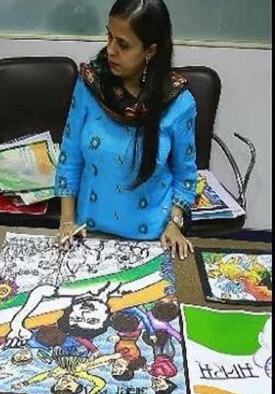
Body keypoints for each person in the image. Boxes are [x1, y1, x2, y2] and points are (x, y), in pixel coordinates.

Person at [55, 0, 198, 260]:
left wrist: (175, 224)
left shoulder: (178, 102)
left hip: (154, 239)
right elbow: (70, 156)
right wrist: (67, 221)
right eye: (109, 37)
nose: (110, 50)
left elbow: (185, 174)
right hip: (88, 233)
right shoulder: (90, 85)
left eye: (123, 44)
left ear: (150, 50)